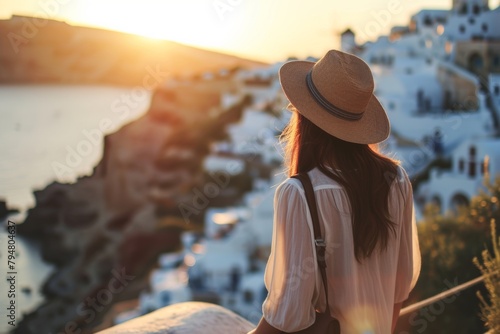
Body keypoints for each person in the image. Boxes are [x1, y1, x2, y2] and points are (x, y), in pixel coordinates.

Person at [247, 50, 421, 334]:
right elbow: (399, 288)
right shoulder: (397, 180)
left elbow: (288, 312)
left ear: (304, 118)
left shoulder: (300, 194)